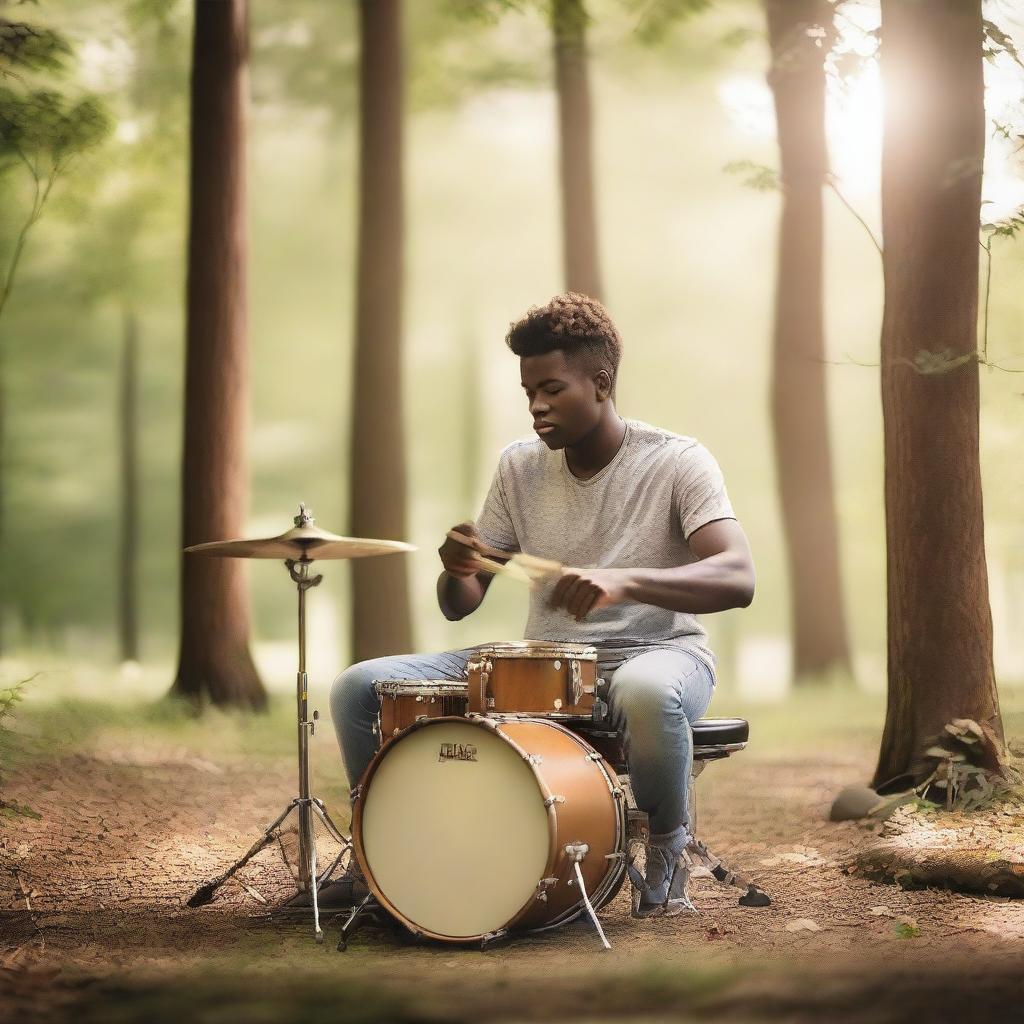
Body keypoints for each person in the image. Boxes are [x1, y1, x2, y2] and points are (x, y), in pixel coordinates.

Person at [326, 292, 755, 917]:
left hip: (659, 654)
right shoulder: (518, 467)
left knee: (645, 692)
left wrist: (625, 581)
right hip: (543, 664)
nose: (536, 406)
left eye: (552, 389)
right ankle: (383, 860)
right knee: (358, 687)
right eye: (529, 391)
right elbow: (461, 605)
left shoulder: (676, 461)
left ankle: (667, 858)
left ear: (601, 382)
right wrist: (457, 569)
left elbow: (738, 577)